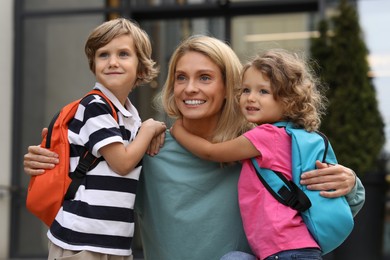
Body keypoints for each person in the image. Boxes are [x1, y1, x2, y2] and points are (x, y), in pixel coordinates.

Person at [24, 35, 365, 260]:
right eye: (181, 78)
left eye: (205, 77)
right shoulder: (150, 148)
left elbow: (338, 198)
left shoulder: (261, 147)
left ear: (231, 85)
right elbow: (88, 194)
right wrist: (53, 161)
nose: (190, 89)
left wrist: (348, 180)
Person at [171, 49, 365, 259]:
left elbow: (211, 152)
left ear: (289, 99)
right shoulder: (291, 137)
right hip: (298, 250)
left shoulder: (266, 136)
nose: (250, 98)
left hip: (285, 252)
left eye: (263, 91)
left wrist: (177, 130)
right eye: (246, 90)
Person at [33, 18, 166, 260]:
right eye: (104, 55)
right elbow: (122, 163)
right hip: (81, 238)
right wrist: (150, 129)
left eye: (124, 54)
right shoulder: (95, 105)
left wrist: (152, 129)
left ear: (141, 68)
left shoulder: (130, 116)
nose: (112, 62)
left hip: (113, 239)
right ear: (93, 64)